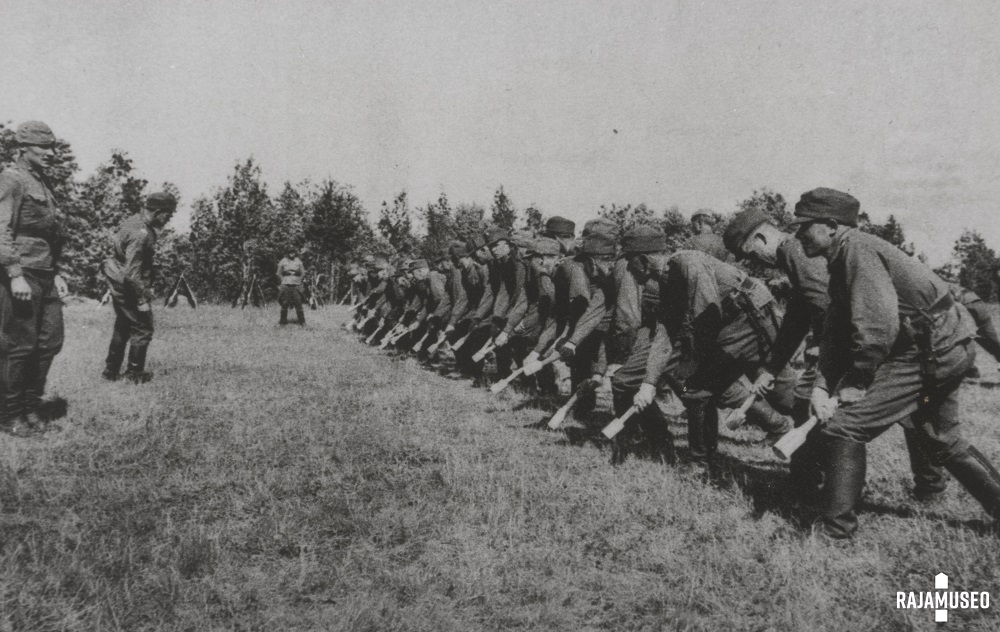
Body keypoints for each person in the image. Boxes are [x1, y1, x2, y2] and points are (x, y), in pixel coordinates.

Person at [792, 187, 1000, 538]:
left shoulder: (856, 250)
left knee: (845, 426)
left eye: (804, 226)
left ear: (830, 225)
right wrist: (822, 387)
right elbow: (837, 332)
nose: (798, 234)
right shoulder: (843, 254)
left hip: (932, 349)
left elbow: (876, 327)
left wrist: (858, 382)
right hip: (948, 343)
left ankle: (835, 532)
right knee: (941, 439)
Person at [0, 121, 68, 436]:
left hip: (45, 272)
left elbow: (52, 234)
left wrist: (59, 272)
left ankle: (30, 407)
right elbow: (2, 230)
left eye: (51, 147)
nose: (49, 153)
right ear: (23, 148)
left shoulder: (41, 182)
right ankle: (10, 416)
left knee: (50, 341)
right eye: (42, 147)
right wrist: (14, 274)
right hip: (22, 272)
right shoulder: (12, 180)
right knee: (20, 345)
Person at [102, 192, 177, 383]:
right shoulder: (141, 233)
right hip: (126, 282)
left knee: (124, 325)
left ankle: (110, 372)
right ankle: (133, 375)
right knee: (143, 327)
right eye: (168, 214)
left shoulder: (135, 221)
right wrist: (142, 299)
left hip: (117, 277)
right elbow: (132, 273)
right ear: (159, 211)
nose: (168, 219)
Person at [276, 248, 306, 325]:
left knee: (298, 303)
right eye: (290, 252)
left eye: (293, 252)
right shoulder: (283, 261)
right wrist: (283, 280)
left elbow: (303, 273)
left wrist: (299, 280)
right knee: (284, 303)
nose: (292, 254)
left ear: (295, 253)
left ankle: (302, 322)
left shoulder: (298, 261)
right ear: (288, 253)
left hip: (296, 285)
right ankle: (282, 322)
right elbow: (278, 273)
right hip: (286, 284)